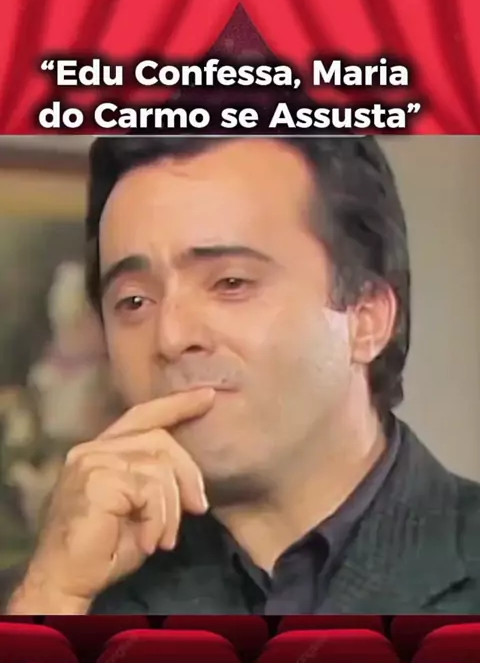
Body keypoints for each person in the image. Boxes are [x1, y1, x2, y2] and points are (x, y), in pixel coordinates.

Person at [5, 136, 480, 615]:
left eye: (231, 283)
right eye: (134, 302)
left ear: (367, 319)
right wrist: (53, 595)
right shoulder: (54, 594)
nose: (171, 337)